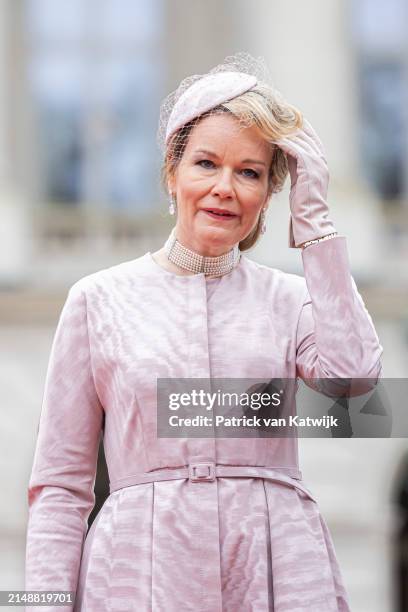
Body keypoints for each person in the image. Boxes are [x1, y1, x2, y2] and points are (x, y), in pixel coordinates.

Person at [25, 52, 383, 611]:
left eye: (250, 172)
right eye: (206, 163)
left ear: (268, 194)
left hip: (277, 569)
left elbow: (356, 383)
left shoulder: (292, 298)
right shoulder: (97, 300)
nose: (225, 187)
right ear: (172, 172)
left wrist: (316, 224)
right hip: (140, 573)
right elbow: (60, 487)